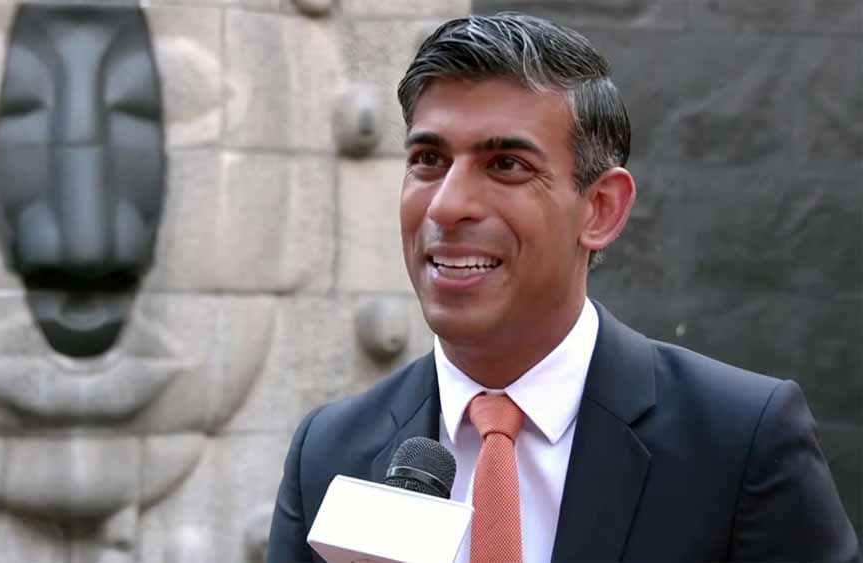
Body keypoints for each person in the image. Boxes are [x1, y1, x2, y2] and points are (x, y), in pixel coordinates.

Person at [266, 13, 860, 563]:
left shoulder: (739, 442)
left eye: (506, 165)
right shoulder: (328, 452)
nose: (446, 206)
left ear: (601, 209)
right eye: (428, 159)